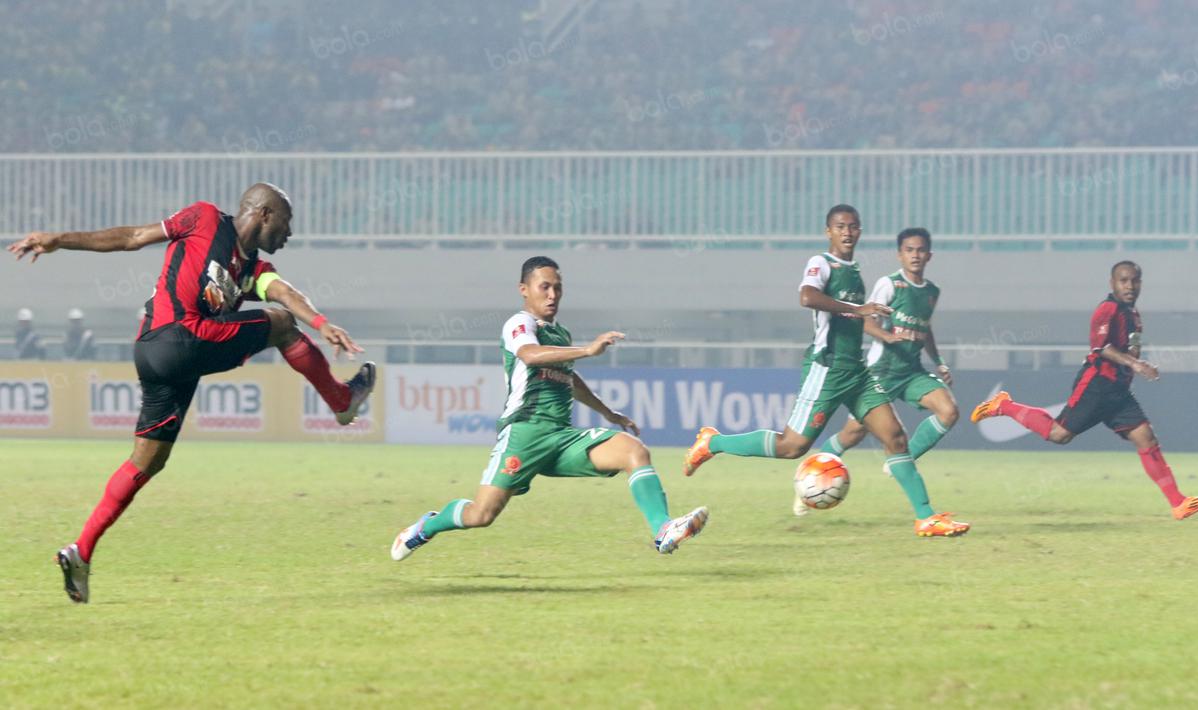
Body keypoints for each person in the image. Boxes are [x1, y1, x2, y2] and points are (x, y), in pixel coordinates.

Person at [7, 182, 378, 603]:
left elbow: (284, 292)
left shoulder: (251, 269)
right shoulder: (203, 219)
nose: (289, 234)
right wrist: (60, 240)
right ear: (265, 214)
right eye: (287, 223)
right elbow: (132, 237)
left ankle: (81, 551)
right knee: (279, 325)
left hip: (156, 354)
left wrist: (320, 320)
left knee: (148, 460)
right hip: (175, 337)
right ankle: (341, 402)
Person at [391, 256, 709, 561]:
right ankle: (426, 526)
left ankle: (663, 529)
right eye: (544, 287)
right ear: (524, 289)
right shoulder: (520, 323)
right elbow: (529, 355)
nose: (553, 294)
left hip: (561, 437)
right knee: (481, 515)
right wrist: (587, 349)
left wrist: (608, 413)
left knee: (633, 452)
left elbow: (569, 378)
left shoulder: (560, 334)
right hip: (524, 433)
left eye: (557, 287)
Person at [681, 205, 970, 537]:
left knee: (895, 437)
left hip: (857, 372)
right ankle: (713, 442)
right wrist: (857, 309)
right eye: (840, 226)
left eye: (853, 227)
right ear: (828, 232)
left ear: (860, 232)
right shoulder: (822, 263)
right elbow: (807, 297)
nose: (847, 232)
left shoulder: (855, 271)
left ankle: (926, 517)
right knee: (792, 446)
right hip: (827, 368)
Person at [971, 261, 1198, 520]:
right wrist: (1135, 364)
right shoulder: (1106, 310)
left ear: (1141, 283)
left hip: (1119, 391)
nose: (1129, 286)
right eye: (1123, 280)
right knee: (1059, 434)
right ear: (1112, 284)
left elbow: (1133, 347)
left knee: (1146, 438)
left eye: (1134, 280)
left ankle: (1179, 503)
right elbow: (1101, 348)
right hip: (1097, 385)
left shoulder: (1134, 316)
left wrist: (1137, 359)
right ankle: (1003, 405)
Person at [807, 228, 959, 513]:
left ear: (929, 255)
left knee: (949, 411)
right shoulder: (889, 285)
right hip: (881, 371)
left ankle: (902, 461)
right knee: (853, 434)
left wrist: (938, 361)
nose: (915, 255)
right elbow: (864, 320)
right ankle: (811, 476)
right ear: (900, 254)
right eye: (909, 250)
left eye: (920, 250)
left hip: (912, 371)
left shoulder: (931, 292)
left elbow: (925, 329)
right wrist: (888, 337)